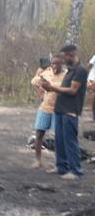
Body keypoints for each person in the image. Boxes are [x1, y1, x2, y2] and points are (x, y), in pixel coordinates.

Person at [40, 44, 89, 180]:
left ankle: (75, 171)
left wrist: (53, 88)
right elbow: (64, 88)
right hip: (60, 110)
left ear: (70, 55)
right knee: (60, 141)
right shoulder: (71, 70)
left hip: (70, 111)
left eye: (64, 57)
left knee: (70, 141)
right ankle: (61, 167)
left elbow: (73, 90)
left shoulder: (80, 70)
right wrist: (49, 88)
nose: (63, 60)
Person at [30, 55, 65, 169]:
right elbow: (34, 82)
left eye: (57, 63)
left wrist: (51, 85)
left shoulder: (66, 75)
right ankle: (38, 160)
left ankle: (58, 163)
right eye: (53, 63)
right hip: (45, 107)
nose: (54, 66)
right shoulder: (47, 73)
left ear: (62, 64)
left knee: (58, 137)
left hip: (58, 109)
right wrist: (39, 75)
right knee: (39, 133)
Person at [87, 53, 95, 120]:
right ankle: (92, 110)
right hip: (93, 79)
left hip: (92, 78)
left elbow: (89, 65)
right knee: (92, 94)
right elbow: (89, 65)